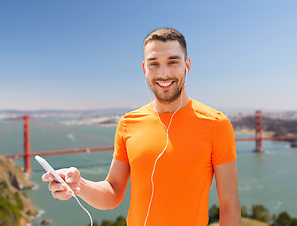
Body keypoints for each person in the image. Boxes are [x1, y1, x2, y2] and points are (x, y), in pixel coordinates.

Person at [42, 28, 241, 226]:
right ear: (145, 69)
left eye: (173, 62)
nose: (163, 73)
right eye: (154, 64)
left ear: (187, 65)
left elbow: (229, 206)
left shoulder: (216, 124)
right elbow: (112, 193)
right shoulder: (128, 123)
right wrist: (79, 185)